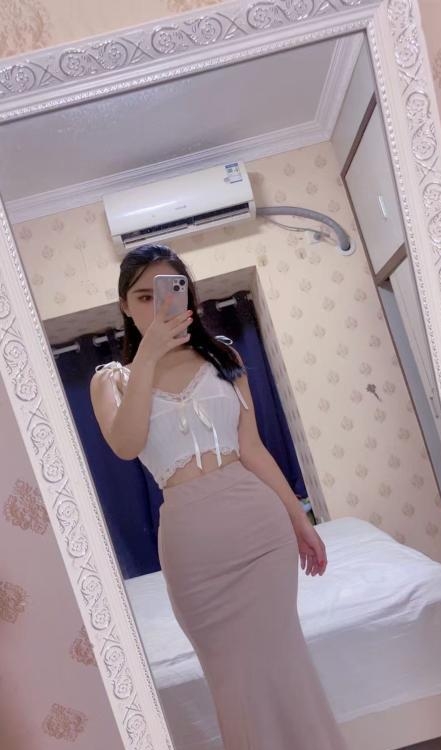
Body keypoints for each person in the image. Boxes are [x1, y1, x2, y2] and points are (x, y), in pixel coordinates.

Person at [90, 244, 348, 750]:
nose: (156, 306)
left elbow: (252, 447)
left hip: (259, 529)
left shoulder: (223, 357)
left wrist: (300, 521)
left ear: (187, 296)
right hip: (193, 550)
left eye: (167, 292)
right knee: (232, 682)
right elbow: (126, 445)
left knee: (284, 661)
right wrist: (147, 357)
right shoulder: (112, 381)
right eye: (143, 297)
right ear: (124, 305)